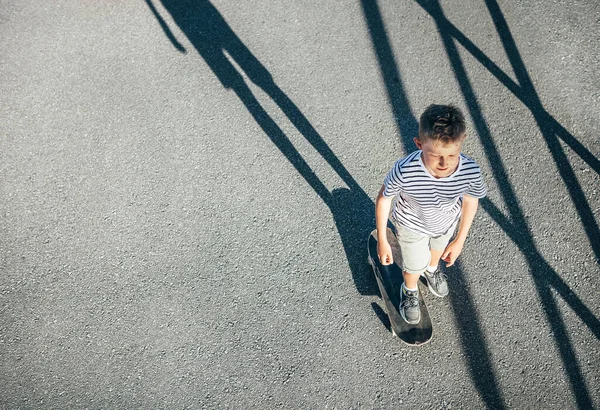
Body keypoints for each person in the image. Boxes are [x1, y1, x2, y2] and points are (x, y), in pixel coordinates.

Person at [375, 104, 487, 324]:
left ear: (461, 142)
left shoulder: (470, 171)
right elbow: (384, 198)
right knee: (413, 266)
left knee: (436, 253)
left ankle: (432, 270)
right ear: (419, 144)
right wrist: (382, 239)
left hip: (445, 223)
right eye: (436, 156)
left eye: (452, 155)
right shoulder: (405, 170)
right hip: (412, 224)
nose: (444, 164)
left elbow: (471, 200)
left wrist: (459, 240)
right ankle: (409, 290)